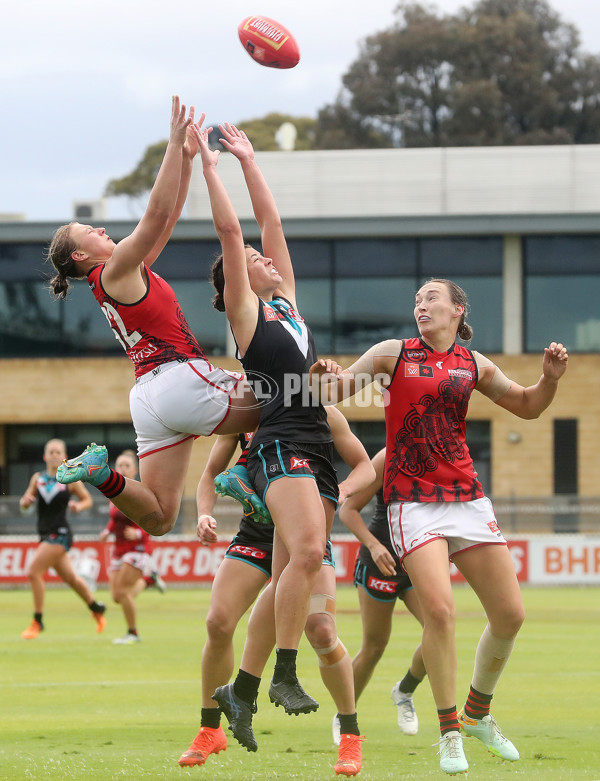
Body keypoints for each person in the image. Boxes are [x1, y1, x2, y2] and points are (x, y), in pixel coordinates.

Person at [309, 278, 568, 775]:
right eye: (417, 300)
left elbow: (530, 407)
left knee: (511, 614)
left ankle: (477, 713)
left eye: (431, 298)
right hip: (412, 502)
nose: (421, 305)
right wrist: (324, 375)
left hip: (466, 496)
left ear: (457, 310)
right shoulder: (392, 353)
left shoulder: (475, 364)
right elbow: (331, 392)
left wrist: (551, 379)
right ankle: (450, 733)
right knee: (441, 613)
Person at [194, 121, 363, 775]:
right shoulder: (248, 317)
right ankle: (280, 677)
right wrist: (208, 167)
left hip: (315, 445)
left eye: (270, 262)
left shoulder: (289, 305)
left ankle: (240, 691)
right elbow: (236, 234)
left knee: (298, 561)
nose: (267, 260)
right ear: (236, 284)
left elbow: (268, 221)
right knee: (307, 551)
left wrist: (249, 159)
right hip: (279, 444)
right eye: (256, 264)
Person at [47, 98, 259, 537]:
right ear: (82, 255)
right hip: (178, 378)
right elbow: (157, 213)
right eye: (91, 232)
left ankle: (99, 472)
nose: (101, 229)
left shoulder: (121, 272)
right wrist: (172, 144)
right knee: (293, 401)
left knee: (160, 518)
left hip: (149, 398)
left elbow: (166, 221)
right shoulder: (116, 267)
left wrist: (184, 159)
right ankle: (241, 472)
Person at [179, 406, 374, 777]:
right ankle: (210, 729)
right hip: (257, 536)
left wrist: (342, 488)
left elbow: (366, 465)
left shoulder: (323, 414)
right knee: (218, 623)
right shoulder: (246, 415)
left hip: (307, 536)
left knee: (322, 630)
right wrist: (204, 514)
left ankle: (350, 734)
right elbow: (209, 473)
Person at [335, 447, 426, 743]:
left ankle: (405, 690)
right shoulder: (387, 456)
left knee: (440, 629)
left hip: (416, 562)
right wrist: (374, 545)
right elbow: (347, 510)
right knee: (375, 646)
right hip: (379, 564)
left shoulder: (444, 451)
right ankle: (344, 715)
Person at [19, 438, 104, 639]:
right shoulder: (37, 479)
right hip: (45, 534)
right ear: (45, 456)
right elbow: (25, 507)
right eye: (51, 452)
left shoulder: (70, 479)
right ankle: (96, 607)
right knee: (71, 579)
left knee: (33, 572)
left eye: (58, 452)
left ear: (65, 457)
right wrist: (25, 503)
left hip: (61, 534)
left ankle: (37, 622)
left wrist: (78, 506)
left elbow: (88, 500)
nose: (55, 455)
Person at [99, 449, 167, 645]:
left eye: (127, 466)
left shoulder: (139, 490)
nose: (123, 469)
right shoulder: (113, 493)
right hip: (119, 549)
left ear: (135, 470)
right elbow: (116, 520)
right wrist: (107, 531)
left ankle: (133, 633)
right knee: (116, 597)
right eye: (120, 465)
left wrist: (139, 533)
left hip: (137, 548)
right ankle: (149, 580)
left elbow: (154, 518)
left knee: (122, 592)